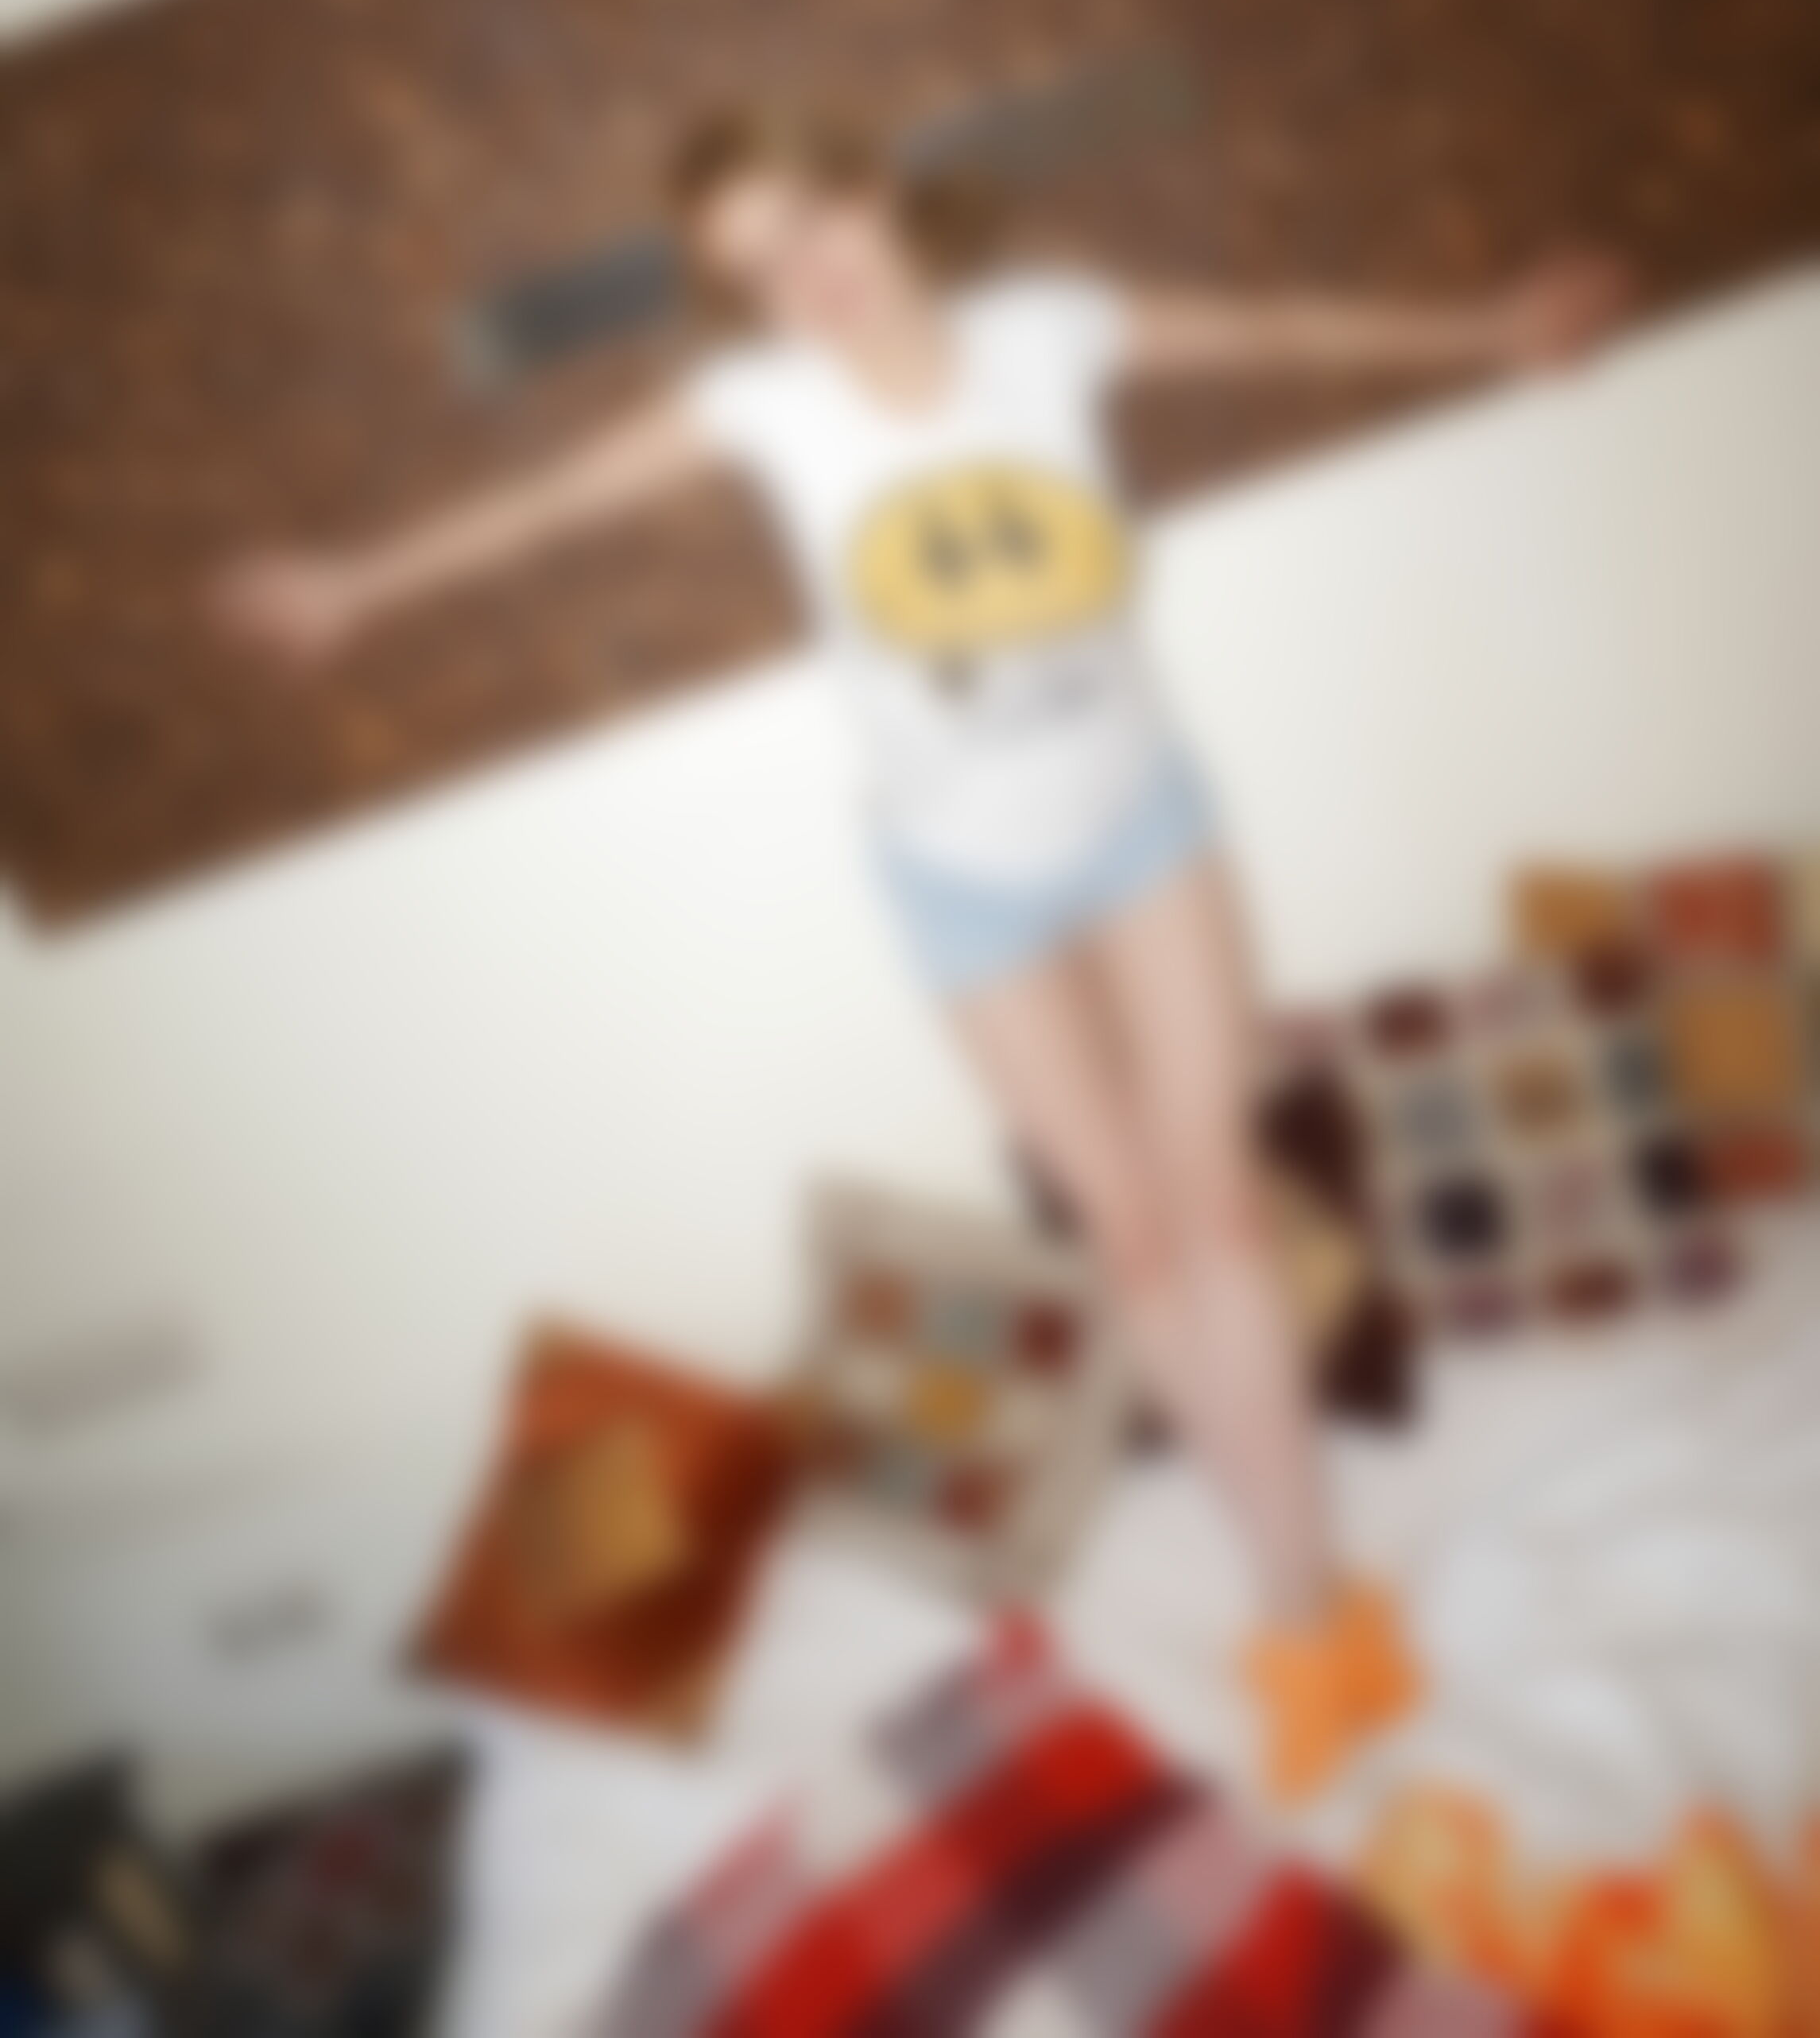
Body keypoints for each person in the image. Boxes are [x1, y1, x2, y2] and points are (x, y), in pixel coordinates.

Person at [213, 103, 1628, 1800]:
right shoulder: (761, 407)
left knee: (1220, 1207)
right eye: (755, 267)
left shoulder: (1045, 329)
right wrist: (354, 585)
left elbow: (1270, 324)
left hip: (1144, 828)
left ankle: (1304, 1611)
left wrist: (1489, 330)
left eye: (811, 219)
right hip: (956, 888)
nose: (803, 275)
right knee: (1133, 1242)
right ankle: (1300, 1615)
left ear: (872, 191)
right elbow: (551, 507)